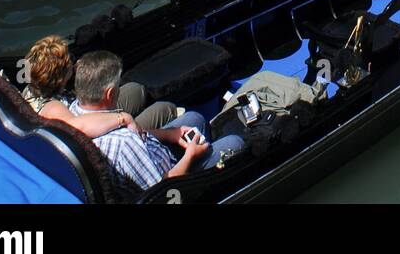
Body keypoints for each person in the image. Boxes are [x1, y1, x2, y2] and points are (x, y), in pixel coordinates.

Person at [67, 51, 246, 194]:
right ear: (110, 93)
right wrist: (190, 156)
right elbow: (162, 191)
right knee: (235, 142)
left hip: (150, 156)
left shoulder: (77, 111)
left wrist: (169, 134)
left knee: (194, 119)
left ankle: (204, 151)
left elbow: (135, 134)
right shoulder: (124, 143)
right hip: (168, 181)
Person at [20, 35, 179, 139]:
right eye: (70, 62)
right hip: (99, 136)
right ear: (60, 77)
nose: (74, 64)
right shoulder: (53, 108)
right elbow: (77, 129)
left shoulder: (30, 90)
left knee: (136, 90)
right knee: (164, 108)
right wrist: (122, 118)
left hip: (86, 109)